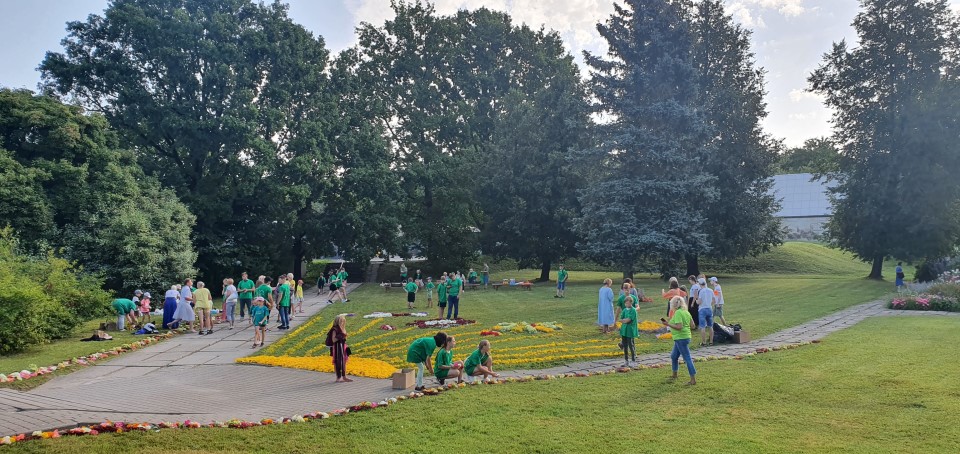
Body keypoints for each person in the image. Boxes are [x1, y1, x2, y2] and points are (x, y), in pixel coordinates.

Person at [663, 296, 696, 385]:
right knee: (674, 356)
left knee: (687, 358)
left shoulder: (678, 313)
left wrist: (668, 324)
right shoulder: (686, 312)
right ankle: (674, 374)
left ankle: (693, 379)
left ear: (673, 305)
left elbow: (679, 327)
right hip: (684, 337)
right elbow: (693, 326)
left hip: (680, 338)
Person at [328, 315, 352, 383]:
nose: (342, 322)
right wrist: (340, 336)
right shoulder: (335, 329)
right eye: (341, 321)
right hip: (337, 347)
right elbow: (333, 340)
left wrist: (344, 336)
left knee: (344, 361)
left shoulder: (343, 328)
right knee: (337, 361)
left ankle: (344, 377)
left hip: (343, 346)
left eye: (343, 321)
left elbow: (344, 338)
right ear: (337, 321)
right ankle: (338, 377)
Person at [619, 293, 638, 366]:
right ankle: (626, 360)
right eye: (626, 303)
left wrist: (624, 320)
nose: (627, 304)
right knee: (625, 345)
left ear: (631, 303)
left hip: (630, 330)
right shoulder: (624, 310)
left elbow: (628, 320)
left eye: (628, 303)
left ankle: (633, 360)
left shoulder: (633, 310)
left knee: (631, 345)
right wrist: (624, 320)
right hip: (624, 330)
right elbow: (621, 319)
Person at [695, 277, 714, 347]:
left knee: (702, 326)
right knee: (710, 326)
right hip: (709, 308)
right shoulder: (711, 290)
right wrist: (709, 304)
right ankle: (711, 341)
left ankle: (704, 342)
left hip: (702, 309)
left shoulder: (701, 291)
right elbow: (714, 300)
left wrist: (696, 300)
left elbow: (699, 302)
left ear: (700, 284)